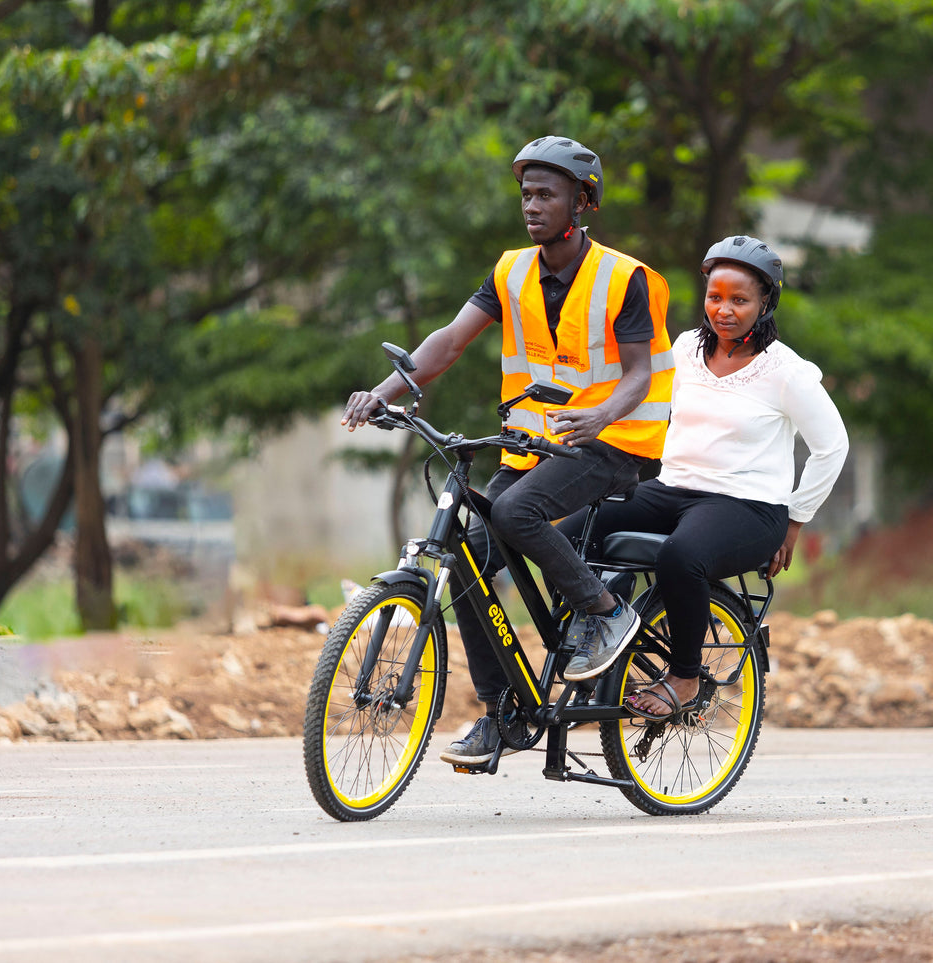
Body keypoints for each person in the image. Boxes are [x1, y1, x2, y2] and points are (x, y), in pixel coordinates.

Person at [342, 136, 674, 765]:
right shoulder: (510, 270)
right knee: (467, 559)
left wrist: (601, 414)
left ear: (581, 202)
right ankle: (501, 713)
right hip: (534, 446)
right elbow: (446, 343)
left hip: (614, 442)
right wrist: (384, 392)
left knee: (515, 513)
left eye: (546, 194)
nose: (532, 205)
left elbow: (640, 373)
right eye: (526, 194)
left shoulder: (627, 278)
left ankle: (603, 614)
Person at [563, 234, 848, 719]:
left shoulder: (786, 371)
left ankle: (685, 677)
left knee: (682, 556)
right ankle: (608, 626)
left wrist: (796, 520)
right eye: (716, 297)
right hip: (671, 489)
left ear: (765, 303)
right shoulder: (686, 349)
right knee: (569, 533)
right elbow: (649, 409)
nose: (724, 310)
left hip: (748, 506)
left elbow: (832, 446)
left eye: (740, 300)